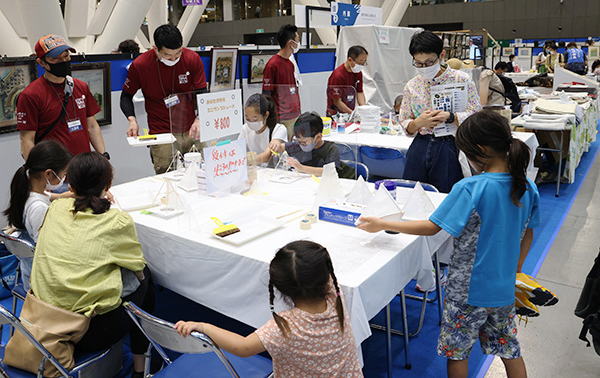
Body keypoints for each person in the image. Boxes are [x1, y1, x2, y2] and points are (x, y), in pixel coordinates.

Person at [357, 110, 540, 378]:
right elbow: (529, 234)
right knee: (509, 350)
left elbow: (432, 227)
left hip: (466, 291)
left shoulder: (470, 188)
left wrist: (384, 223)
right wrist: (516, 268)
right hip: (503, 287)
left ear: (479, 150)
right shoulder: (526, 186)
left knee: (457, 353)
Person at [30, 152, 155, 378]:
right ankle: (141, 369)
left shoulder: (56, 209)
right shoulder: (117, 221)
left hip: (41, 318)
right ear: (108, 185)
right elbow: (137, 266)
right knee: (146, 276)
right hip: (87, 331)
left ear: (69, 184)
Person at [174, 240, 363, 377]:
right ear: (326, 277)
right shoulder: (336, 296)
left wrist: (204, 327)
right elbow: (317, 269)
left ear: (281, 288)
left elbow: (243, 347)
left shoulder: (284, 327)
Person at [398, 31, 481, 193]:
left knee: (445, 196)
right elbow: (405, 121)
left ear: (441, 55)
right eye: (419, 63)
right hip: (420, 146)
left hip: (449, 145)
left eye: (429, 62)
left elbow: (476, 115)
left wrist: (451, 117)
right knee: (412, 194)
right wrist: (418, 123)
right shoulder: (412, 85)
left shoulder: (461, 80)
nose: (424, 67)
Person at [121, 24, 207, 174]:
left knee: (201, 173)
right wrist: (132, 120)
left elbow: (202, 92)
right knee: (167, 177)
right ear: (155, 49)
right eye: (168, 55)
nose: (174, 58)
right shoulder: (140, 65)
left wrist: (199, 118)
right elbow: (126, 97)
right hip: (162, 133)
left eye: (178, 53)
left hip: (192, 128)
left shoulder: (192, 59)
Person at [17, 34, 108, 160]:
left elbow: (92, 126)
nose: (64, 61)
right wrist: (38, 172)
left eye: (66, 56)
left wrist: (103, 156)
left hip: (83, 166)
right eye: (57, 59)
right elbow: (26, 140)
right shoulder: (31, 95)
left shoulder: (81, 87)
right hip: (54, 171)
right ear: (41, 62)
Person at [2, 141, 72, 291]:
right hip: (41, 283)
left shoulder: (29, 191)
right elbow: (46, 252)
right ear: (48, 173)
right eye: (64, 174)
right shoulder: (39, 208)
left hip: (30, 273)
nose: (64, 178)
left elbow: (55, 196)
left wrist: (77, 195)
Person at [272, 112, 354, 178]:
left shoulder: (330, 149)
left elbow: (329, 172)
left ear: (318, 137)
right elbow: (280, 147)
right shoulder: (298, 145)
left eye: (304, 142)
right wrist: (276, 145)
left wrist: (302, 168)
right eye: (298, 141)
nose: (301, 145)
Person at [262, 24, 302, 139]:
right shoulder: (272, 65)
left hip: (295, 114)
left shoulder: (290, 63)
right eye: (297, 40)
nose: (298, 43)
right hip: (282, 117)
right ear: (290, 43)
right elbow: (267, 94)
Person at [238, 93, 287, 165]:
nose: (250, 122)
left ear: (266, 115)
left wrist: (242, 161)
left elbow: (266, 157)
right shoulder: (245, 129)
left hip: (277, 171)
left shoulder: (278, 129)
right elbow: (238, 150)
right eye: (247, 118)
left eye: (255, 119)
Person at [326, 45, 367, 116]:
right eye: (360, 63)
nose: (362, 65)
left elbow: (359, 92)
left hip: (349, 111)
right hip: (336, 113)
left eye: (364, 63)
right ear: (350, 60)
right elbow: (337, 101)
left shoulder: (358, 73)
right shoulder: (338, 76)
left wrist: (364, 110)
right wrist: (352, 113)